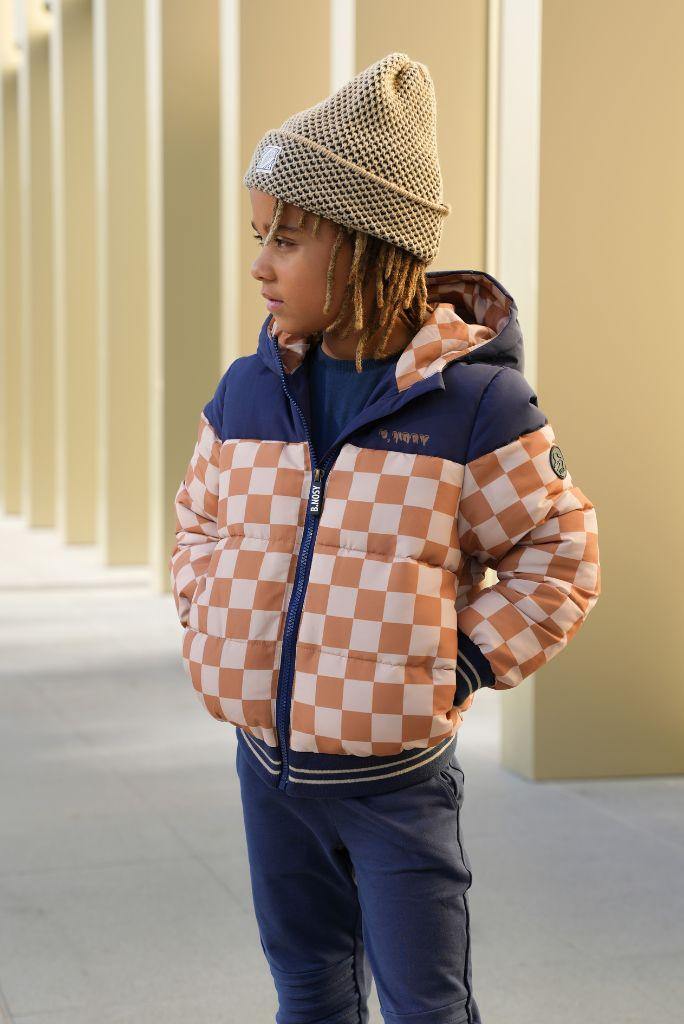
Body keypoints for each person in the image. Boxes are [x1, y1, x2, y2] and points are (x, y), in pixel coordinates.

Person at [169, 52, 601, 1024]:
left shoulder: (477, 406)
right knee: (308, 987)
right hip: (267, 768)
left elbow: (559, 553)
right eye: (259, 237)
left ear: (368, 246)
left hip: (396, 786)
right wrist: (213, 619)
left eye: (287, 240)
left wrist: (462, 661)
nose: (260, 265)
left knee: (426, 1006)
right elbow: (199, 521)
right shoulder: (248, 391)